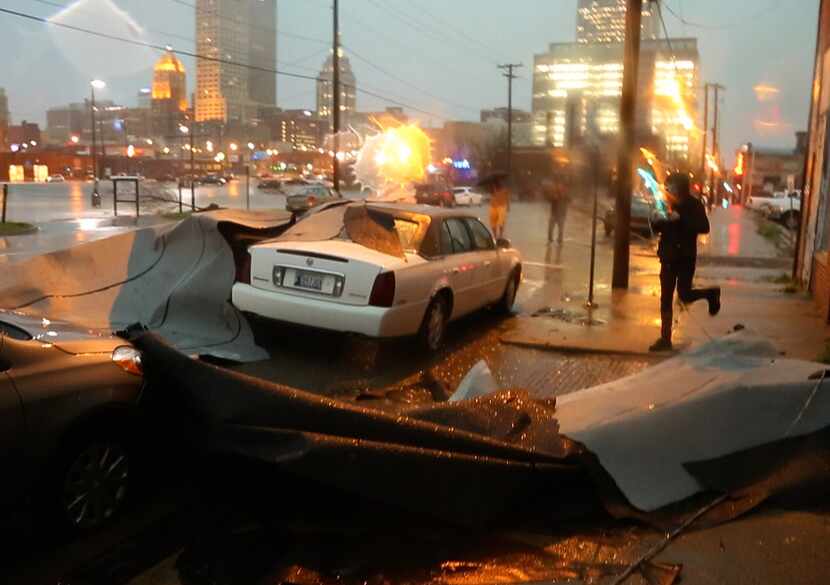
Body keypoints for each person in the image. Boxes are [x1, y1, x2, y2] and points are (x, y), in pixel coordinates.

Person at [649, 172, 721, 352]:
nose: (668, 189)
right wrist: (656, 221)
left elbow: (704, 227)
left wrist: (682, 220)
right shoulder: (667, 204)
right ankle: (665, 338)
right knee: (665, 297)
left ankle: (711, 294)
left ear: (680, 187)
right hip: (668, 257)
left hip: (685, 257)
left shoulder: (694, 205)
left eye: (671, 186)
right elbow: (658, 227)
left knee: (684, 294)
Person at [546, 175, 570, 244]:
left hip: (561, 214)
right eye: (559, 185)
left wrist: (564, 196)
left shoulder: (565, 193)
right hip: (554, 213)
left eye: (561, 185)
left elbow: (569, 200)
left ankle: (560, 240)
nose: (560, 187)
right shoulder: (554, 193)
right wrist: (554, 197)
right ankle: (550, 240)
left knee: (561, 229)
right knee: (551, 228)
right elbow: (549, 199)